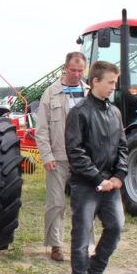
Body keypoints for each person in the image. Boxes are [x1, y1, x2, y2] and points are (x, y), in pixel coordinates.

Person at [65, 61, 127, 274]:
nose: (114, 87)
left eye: (115, 82)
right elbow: (75, 151)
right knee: (81, 237)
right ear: (95, 82)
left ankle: (96, 269)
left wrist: (119, 176)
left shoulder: (115, 112)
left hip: (110, 186)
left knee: (116, 228)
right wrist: (99, 179)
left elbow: (122, 146)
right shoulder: (79, 112)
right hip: (86, 185)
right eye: (110, 82)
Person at [35, 52, 89, 261]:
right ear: (65, 68)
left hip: (83, 158)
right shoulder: (51, 93)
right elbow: (41, 128)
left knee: (84, 204)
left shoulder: (89, 93)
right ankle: (56, 245)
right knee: (56, 202)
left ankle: (84, 245)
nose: (76, 74)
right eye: (73, 70)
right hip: (58, 157)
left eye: (80, 70)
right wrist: (46, 155)